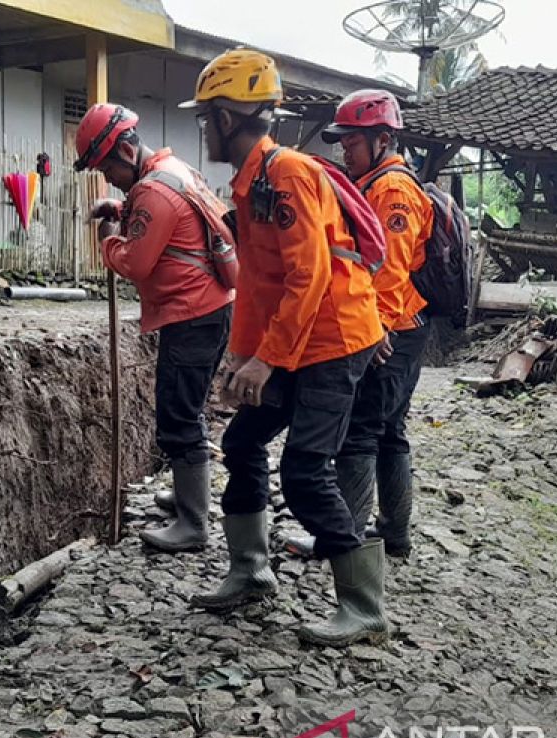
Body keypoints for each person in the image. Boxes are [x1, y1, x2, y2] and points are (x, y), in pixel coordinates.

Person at [180, 48, 389, 648]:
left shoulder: (288, 174)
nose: (204, 128)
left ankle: (364, 605)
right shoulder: (253, 183)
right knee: (243, 440)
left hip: (330, 340)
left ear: (225, 118)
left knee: (303, 470)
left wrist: (266, 360)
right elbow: (260, 284)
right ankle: (250, 570)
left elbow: (310, 276)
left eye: (206, 117)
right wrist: (245, 359)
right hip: (296, 340)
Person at [74, 103, 234, 553]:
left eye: (107, 165)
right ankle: (187, 498)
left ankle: (194, 523)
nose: (107, 176)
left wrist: (109, 240)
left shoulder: (154, 192)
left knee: (178, 416)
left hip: (191, 314)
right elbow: (168, 226)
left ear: (126, 149)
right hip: (207, 308)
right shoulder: (172, 171)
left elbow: (139, 262)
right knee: (185, 408)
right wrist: (124, 210)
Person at [286, 90, 433, 560]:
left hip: (395, 327)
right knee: (389, 429)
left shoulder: (392, 189)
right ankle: (393, 535)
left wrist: (379, 327)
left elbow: (392, 265)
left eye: (351, 142)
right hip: (403, 323)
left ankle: (342, 539)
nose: (343, 151)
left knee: (363, 430)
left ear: (383, 139)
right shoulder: (374, 181)